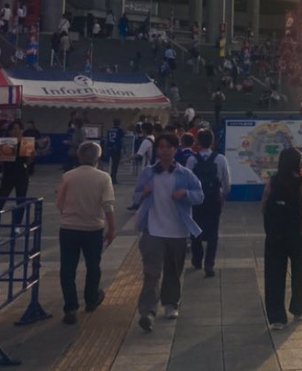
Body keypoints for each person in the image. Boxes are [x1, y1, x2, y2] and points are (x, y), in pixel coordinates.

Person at [131, 133, 205, 331]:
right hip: (153, 230)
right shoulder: (148, 172)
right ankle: (147, 311)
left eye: (168, 147)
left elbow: (200, 196)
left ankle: (171, 303)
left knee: (173, 271)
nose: (164, 150)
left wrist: (185, 194)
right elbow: (136, 195)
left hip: (177, 231)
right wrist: (143, 193)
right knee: (151, 273)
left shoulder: (184, 174)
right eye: (161, 147)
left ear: (175, 149)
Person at [56, 141, 117, 325]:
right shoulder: (103, 177)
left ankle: (70, 307)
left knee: (67, 268)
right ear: (98, 157)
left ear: (79, 156)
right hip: (93, 229)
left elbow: (60, 203)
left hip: (68, 228)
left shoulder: (68, 176)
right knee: (93, 265)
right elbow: (108, 205)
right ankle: (91, 300)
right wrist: (111, 228)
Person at [262, 147, 302, 330]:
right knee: (299, 271)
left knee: (274, 274)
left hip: (275, 235)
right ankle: (299, 309)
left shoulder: (273, 181)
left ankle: (277, 317)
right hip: (298, 234)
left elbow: (264, 205)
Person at [187, 130, 231, 278]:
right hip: (214, 199)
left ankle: (197, 259)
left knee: (196, 230)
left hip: (197, 201)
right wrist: (223, 195)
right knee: (213, 232)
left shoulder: (192, 160)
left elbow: (187, 180)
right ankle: (209, 264)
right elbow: (226, 182)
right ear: (212, 142)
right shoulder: (221, 159)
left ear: (198, 142)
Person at [0, 120, 35, 233]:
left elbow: (29, 162)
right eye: (13, 129)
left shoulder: (26, 142)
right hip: (8, 174)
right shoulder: (7, 143)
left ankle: (17, 225)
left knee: (20, 200)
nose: (16, 131)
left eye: (19, 129)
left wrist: (31, 154)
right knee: (1, 199)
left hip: (22, 174)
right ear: (9, 131)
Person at [104, 118, 124, 184]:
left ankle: (112, 176)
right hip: (116, 148)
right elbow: (121, 140)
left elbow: (107, 139)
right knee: (115, 164)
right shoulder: (120, 131)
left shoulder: (109, 130)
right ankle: (113, 178)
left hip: (110, 148)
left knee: (112, 164)